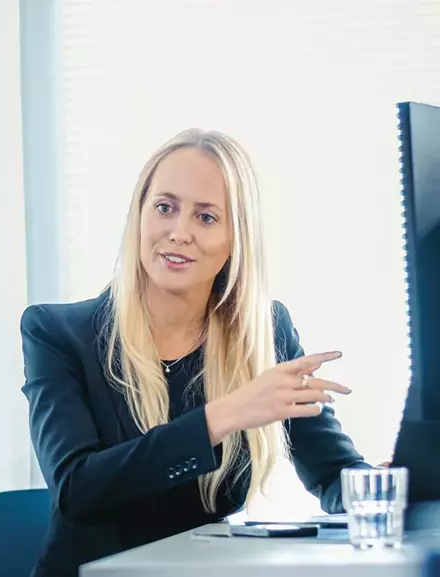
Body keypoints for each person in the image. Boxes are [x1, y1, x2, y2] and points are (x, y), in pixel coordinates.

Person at [20, 128, 371, 577]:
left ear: (235, 238)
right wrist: (223, 415)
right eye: (165, 208)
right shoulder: (57, 332)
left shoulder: (264, 333)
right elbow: (78, 490)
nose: (179, 232)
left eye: (206, 218)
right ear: (140, 215)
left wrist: (389, 486)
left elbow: (333, 473)